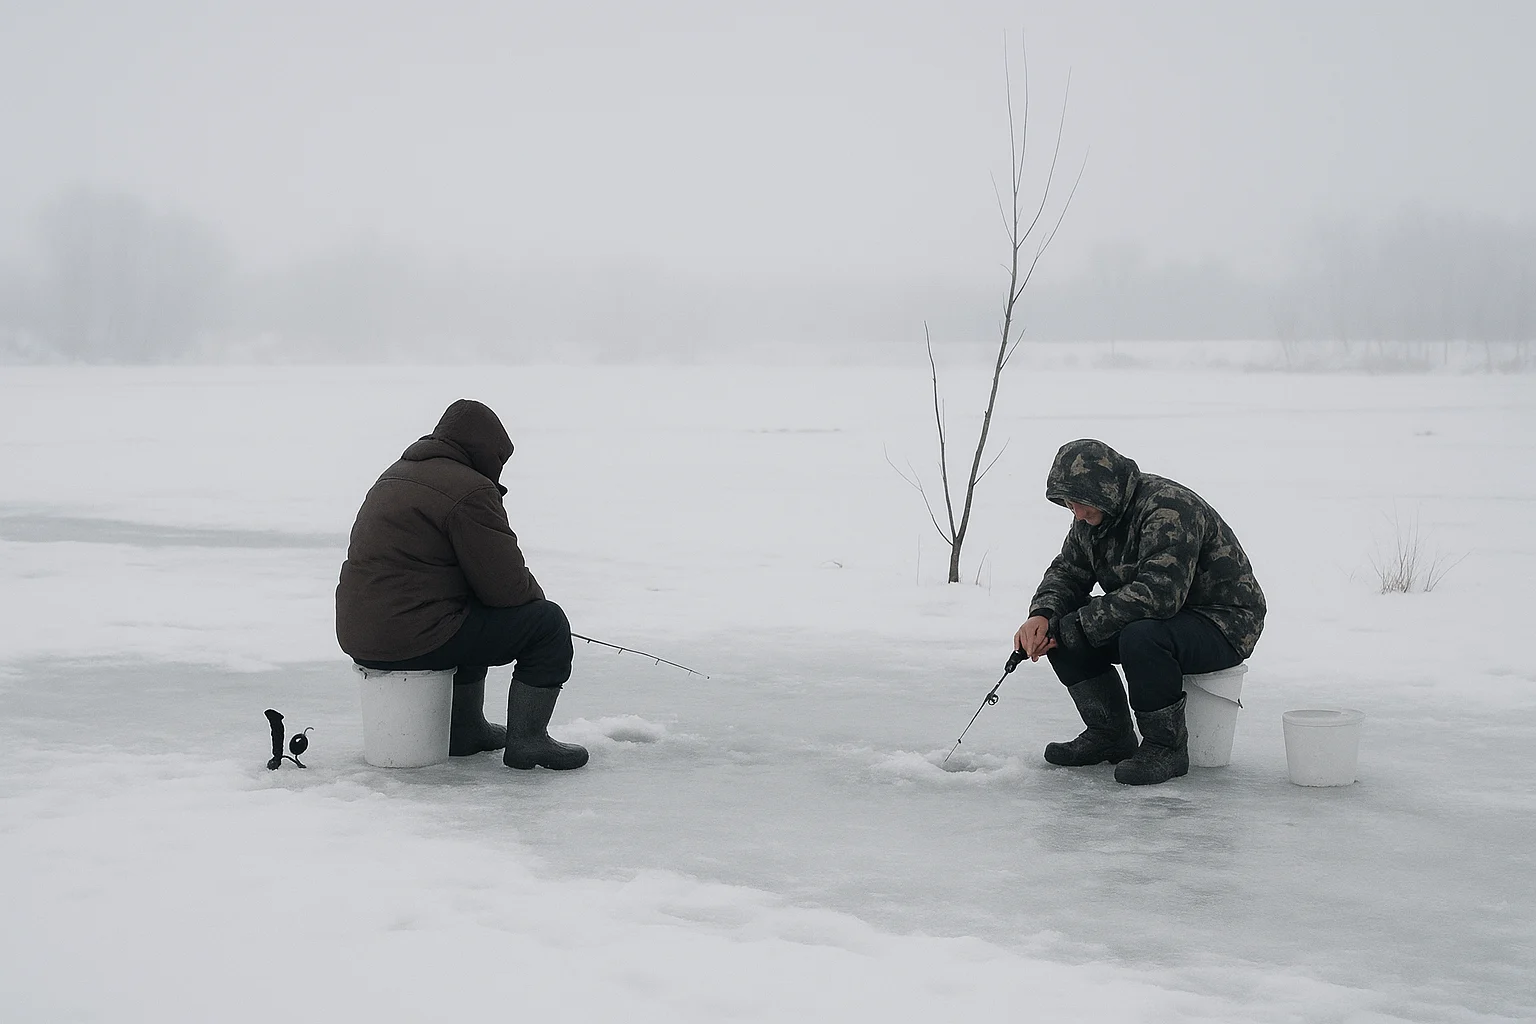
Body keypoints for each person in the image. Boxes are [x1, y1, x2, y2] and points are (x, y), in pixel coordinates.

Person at [335, 398, 587, 770]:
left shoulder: (395, 474)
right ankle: (528, 742)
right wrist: (537, 608)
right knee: (547, 626)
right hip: (414, 636)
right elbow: (507, 588)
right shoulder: (468, 490)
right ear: (486, 451)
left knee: (465, 613)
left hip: (362, 634)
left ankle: (465, 730)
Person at [1014, 439, 1265, 786]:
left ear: (1106, 491)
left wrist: (1083, 624)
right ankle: (1110, 734)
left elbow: (1160, 594)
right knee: (1061, 631)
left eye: (1082, 503)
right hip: (1163, 617)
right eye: (1069, 504)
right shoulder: (1091, 518)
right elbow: (1068, 573)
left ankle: (1167, 746)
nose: (1077, 513)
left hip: (1225, 621)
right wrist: (1041, 615)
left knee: (1141, 636)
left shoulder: (1168, 508)